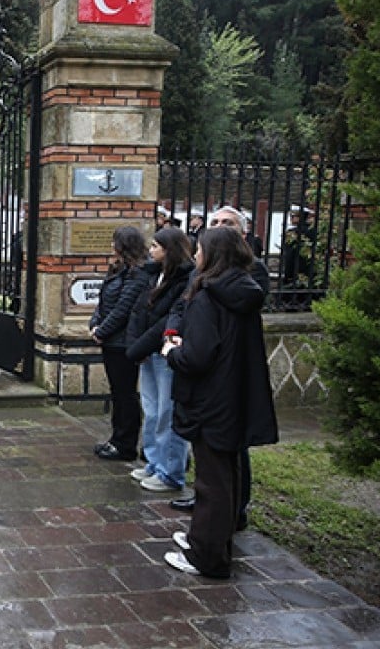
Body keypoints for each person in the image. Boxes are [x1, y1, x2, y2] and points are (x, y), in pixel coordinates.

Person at [160, 226, 278, 578]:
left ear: (212, 255)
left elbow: (197, 356)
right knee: (227, 476)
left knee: (212, 481)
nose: (194, 255)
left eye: (199, 250)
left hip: (210, 399)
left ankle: (206, 557)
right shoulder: (241, 290)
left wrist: (172, 352)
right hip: (233, 396)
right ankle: (210, 540)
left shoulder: (209, 297)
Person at [125, 227, 195, 492]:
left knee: (168, 412)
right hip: (147, 352)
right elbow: (138, 311)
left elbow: (167, 320)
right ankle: (154, 461)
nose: (151, 250)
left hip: (164, 351)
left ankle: (171, 472)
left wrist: (140, 347)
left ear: (170, 250)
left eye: (156, 246)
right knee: (152, 410)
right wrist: (136, 346)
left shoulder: (184, 279)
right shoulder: (153, 274)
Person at [90, 226, 148, 461]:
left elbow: (123, 308)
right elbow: (104, 301)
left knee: (125, 395)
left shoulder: (138, 273)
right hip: (110, 340)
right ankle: (116, 439)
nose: (111, 247)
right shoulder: (118, 269)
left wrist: (102, 331)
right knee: (118, 393)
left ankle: (125, 445)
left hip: (123, 343)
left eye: (114, 243)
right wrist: (94, 323)